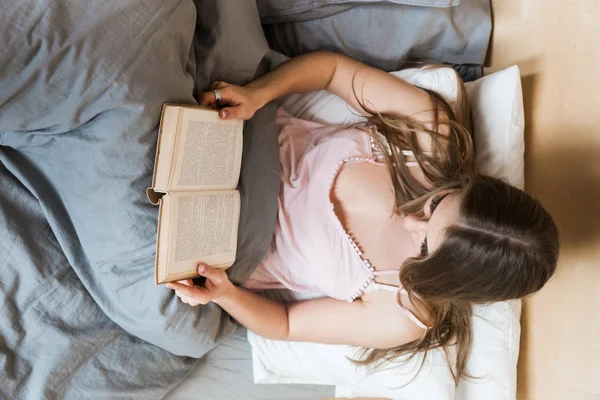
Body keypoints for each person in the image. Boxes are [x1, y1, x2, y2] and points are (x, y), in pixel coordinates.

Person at [165, 51, 559, 382]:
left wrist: (225, 295)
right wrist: (257, 94)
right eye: (436, 205)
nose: (410, 221)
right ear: (469, 186)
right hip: (235, 141)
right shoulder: (430, 133)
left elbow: (286, 322)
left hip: (215, 241)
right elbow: (334, 71)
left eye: (425, 245)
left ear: (445, 278)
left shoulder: (402, 313)